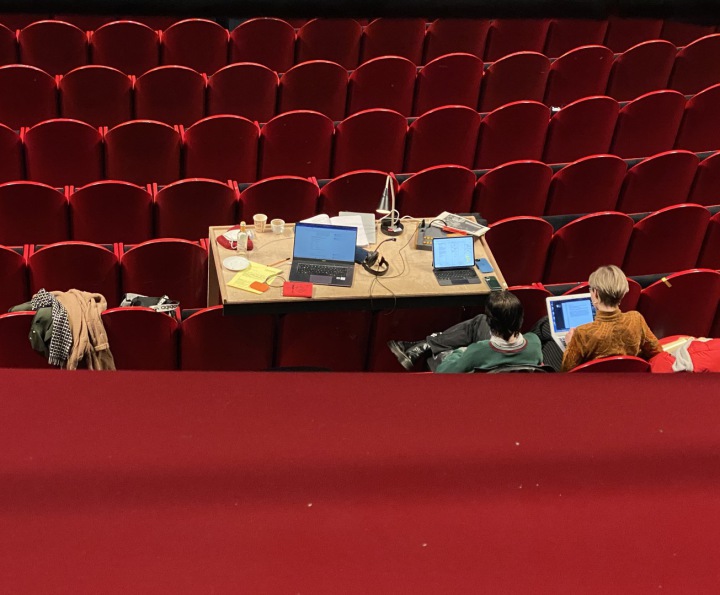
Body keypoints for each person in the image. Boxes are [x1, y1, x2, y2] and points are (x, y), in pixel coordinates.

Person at [387, 290, 543, 373]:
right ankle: (424, 345)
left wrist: (461, 352)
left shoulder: (478, 350)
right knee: (479, 321)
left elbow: (443, 372)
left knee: (439, 355)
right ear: (521, 319)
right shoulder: (534, 343)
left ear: (491, 323)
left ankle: (425, 348)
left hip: (477, 387)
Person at [559, 265, 662, 371]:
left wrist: (570, 344)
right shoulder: (636, 319)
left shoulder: (582, 333)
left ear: (596, 293)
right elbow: (656, 351)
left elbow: (566, 370)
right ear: (623, 293)